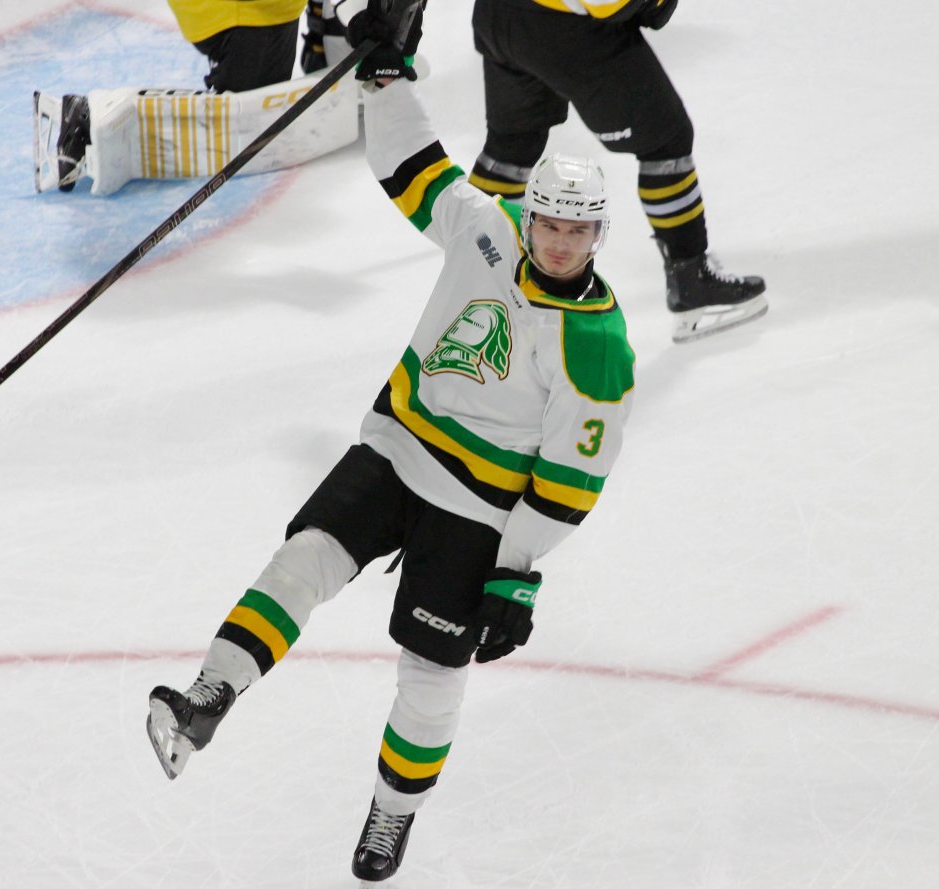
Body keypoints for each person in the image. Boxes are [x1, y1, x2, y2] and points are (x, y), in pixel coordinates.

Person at [144, 3, 635, 882]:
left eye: (577, 230)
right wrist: (384, 75)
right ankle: (208, 693)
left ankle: (389, 816)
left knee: (430, 670)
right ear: (533, 217)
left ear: (598, 233)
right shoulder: (487, 229)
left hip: (480, 508)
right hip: (397, 447)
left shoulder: (597, 347)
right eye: (550, 224)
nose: (559, 242)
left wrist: (515, 571)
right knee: (302, 560)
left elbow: (569, 482)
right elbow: (412, 166)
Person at [469, 0, 768, 343]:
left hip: (499, 13)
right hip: (560, 23)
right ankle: (692, 282)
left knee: (512, 145)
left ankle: (472, 271)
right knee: (666, 141)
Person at [42, 0, 346, 194]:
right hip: (245, 10)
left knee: (255, 119)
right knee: (247, 128)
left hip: (251, 9)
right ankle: (92, 117)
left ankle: (326, 31)